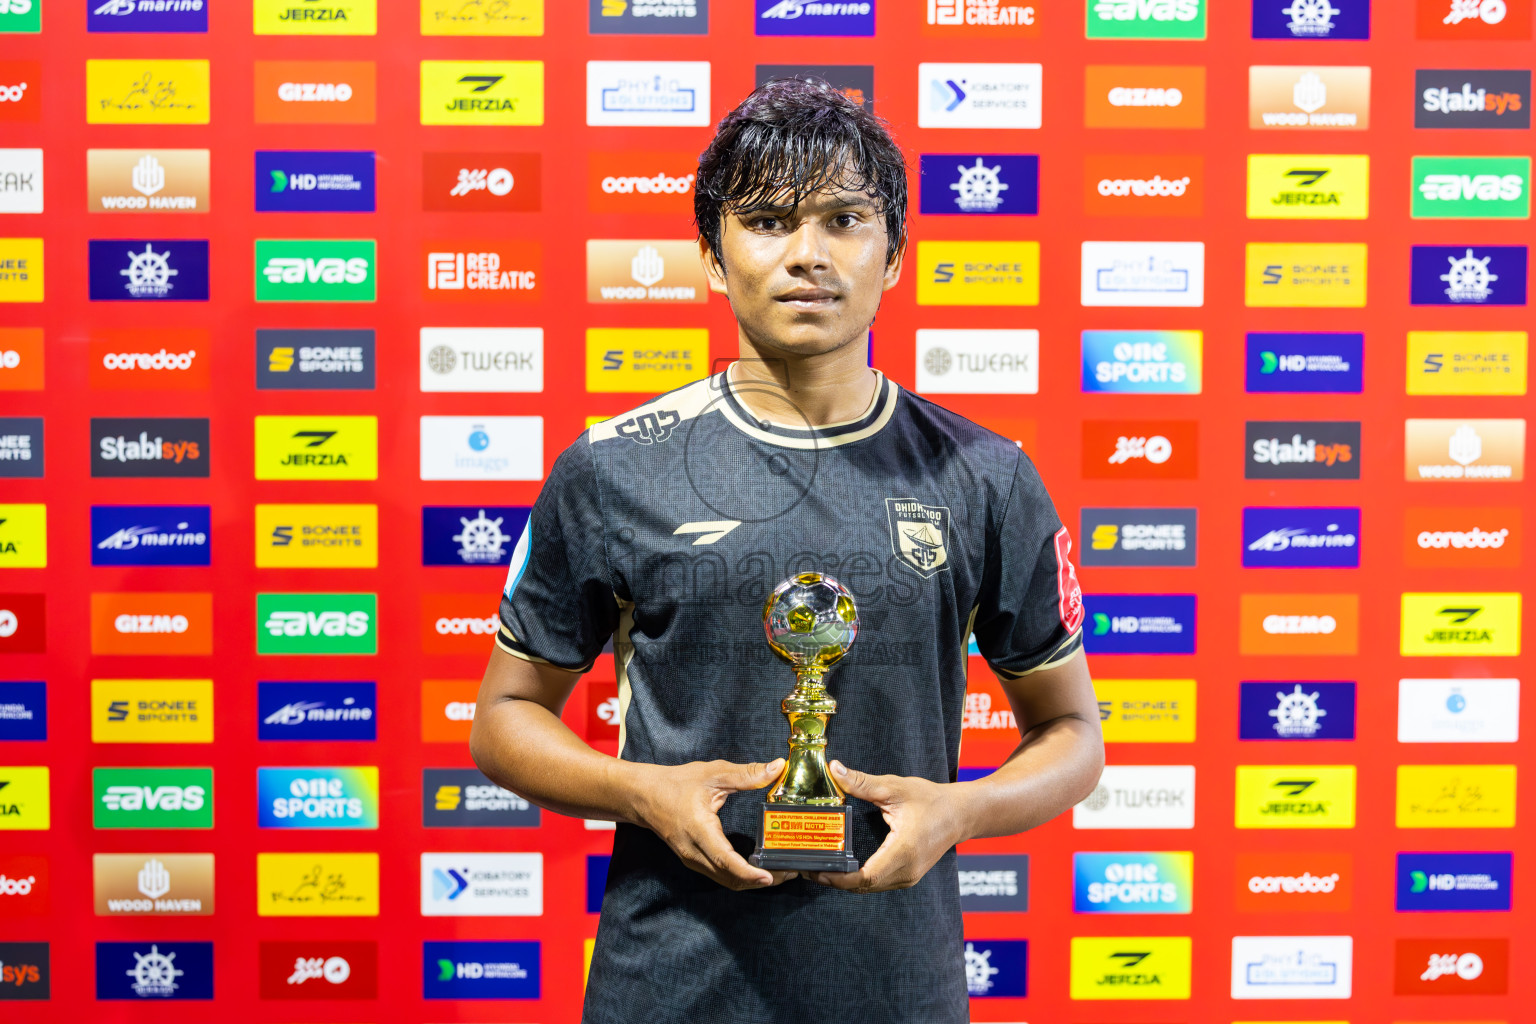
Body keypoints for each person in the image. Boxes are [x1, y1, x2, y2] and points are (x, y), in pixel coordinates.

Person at [470, 77, 1104, 1024]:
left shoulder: (986, 477)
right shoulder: (613, 468)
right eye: (767, 222)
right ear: (712, 257)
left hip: (897, 990)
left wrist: (961, 810)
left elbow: (1073, 732)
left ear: (894, 252)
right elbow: (504, 717)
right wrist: (642, 792)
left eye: (844, 220)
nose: (808, 254)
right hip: (670, 987)